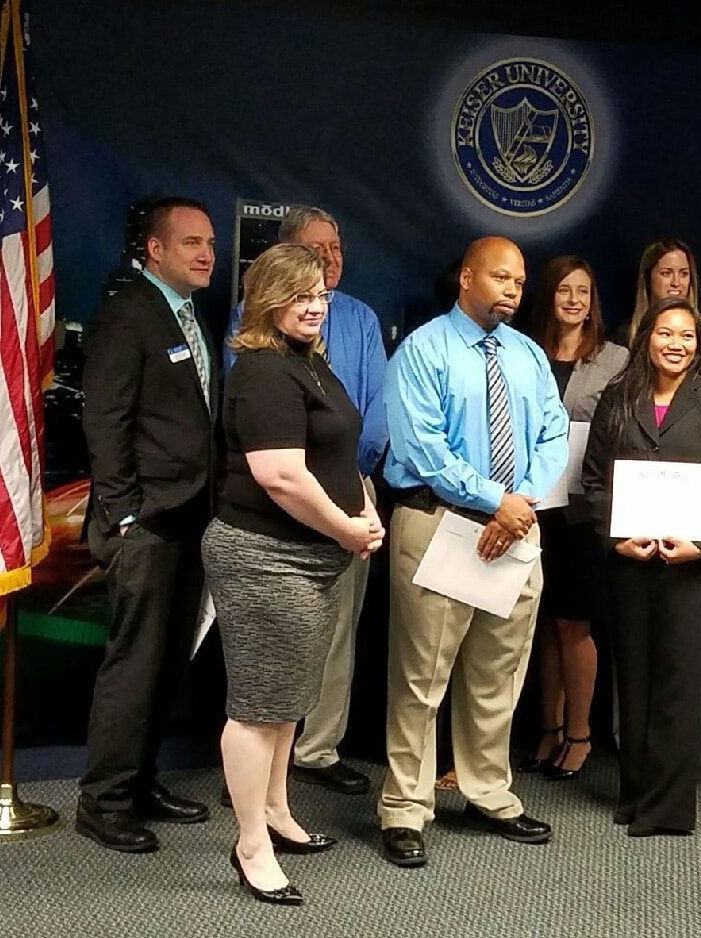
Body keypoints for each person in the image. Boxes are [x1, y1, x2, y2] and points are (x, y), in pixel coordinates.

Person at [380, 236, 569, 868]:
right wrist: (497, 501)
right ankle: (405, 808)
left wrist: (518, 504)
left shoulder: (529, 356)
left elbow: (553, 433)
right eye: (501, 277)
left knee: (498, 674)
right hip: (440, 524)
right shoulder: (423, 350)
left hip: (515, 531)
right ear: (466, 277)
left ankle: (488, 793)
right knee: (421, 679)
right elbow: (425, 448)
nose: (515, 290)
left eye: (520, 280)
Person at [203, 243, 383, 905]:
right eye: (298, 295)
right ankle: (250, 843)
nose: (313, 306)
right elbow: (279, 475)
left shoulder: (309, 361)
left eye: (319, 295)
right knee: (256, 710)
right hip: (263, 558)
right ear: (267, 299)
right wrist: (345, 529)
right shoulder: (261, 373)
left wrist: (362, 511)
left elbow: (338, 452)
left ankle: (277, 811)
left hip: (312, 560)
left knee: (285, 705)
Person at [225, 205, 389, 796]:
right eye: (318, 254)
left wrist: (357, 501)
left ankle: (315, 751)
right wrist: (339, 515)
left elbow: (373, 414)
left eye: (337, 251)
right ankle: (259, 782)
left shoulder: (358, 321)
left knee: (334, 631)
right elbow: (261, 444)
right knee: (274, 658)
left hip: (350, 489)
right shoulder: (260, 349)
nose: (331, 265)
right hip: (279, 514)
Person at [77, 196, 219, 853]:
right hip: (148, 522)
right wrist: (124, 512)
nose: (206, 253)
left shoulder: (191, 314)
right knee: (134, 665)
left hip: (193, 517)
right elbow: (104, 421)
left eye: (210, 242)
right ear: (155, 250)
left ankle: (140, 785)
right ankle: (102, 803)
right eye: (191, 242)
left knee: (165, 664)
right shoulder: (125, 312)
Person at [582, 296, 701, 837]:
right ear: (646, 338)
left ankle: (669, 808)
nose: (676, 344)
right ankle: (634, 793)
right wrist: (615, 538)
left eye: (687, 337)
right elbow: (594, 481)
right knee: (632, 679)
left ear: (698, 347)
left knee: (679, 683)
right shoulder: (617, 397)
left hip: (688, 566)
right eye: (665, 333)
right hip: (629, 564)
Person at [517, 256, 628, 780]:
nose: (574, 300)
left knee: (575, 623)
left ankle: (580, 735)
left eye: (583, 290)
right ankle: (548, 730)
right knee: (541, 621)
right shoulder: (523, 351)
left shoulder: (616, 360)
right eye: (564, 289)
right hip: (533, 505)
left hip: (586, 508)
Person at [615, 238, 701, 386]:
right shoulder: (623, 336)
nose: (676, 283)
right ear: (647, 278)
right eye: (666, 273)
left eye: (684, 274)